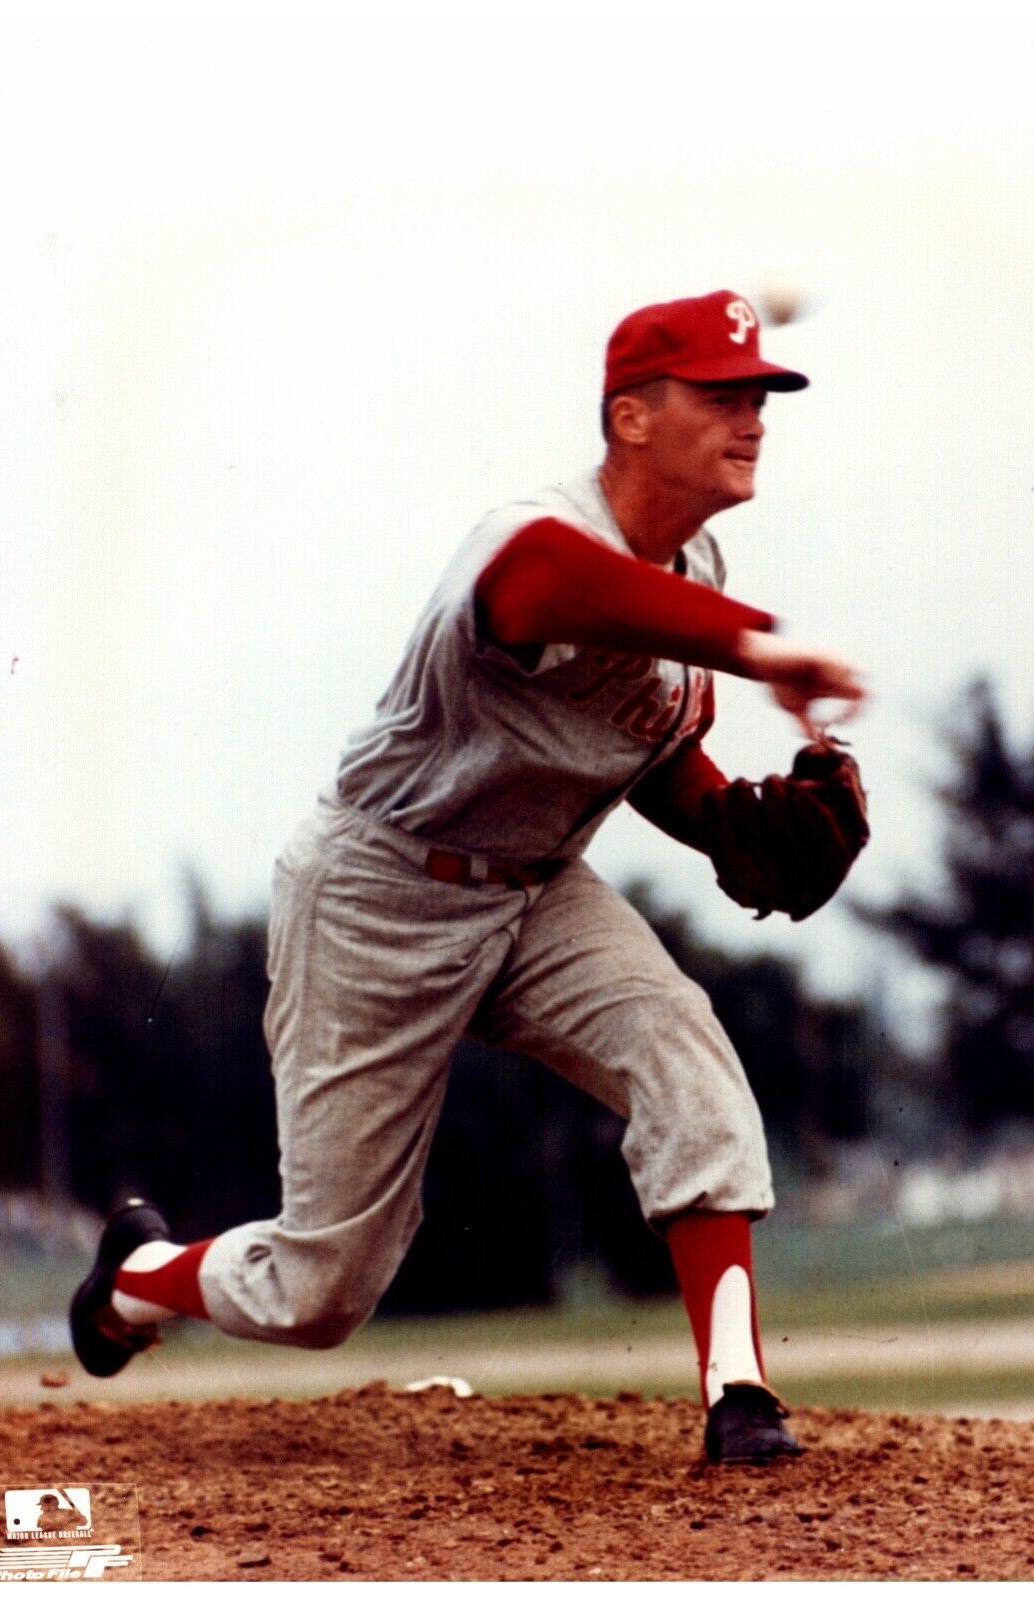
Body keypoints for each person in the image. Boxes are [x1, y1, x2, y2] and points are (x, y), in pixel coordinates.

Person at [70, 289, 865, 1466]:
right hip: (379, 890)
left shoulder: (692, 560)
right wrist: (754, 641)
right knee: (321, 1287)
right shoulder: (535, 538)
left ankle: (736, 1394)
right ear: (630, 418)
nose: (753, 417)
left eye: (759, 395)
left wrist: (725, 823)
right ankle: (136, 1279)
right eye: (721, 394)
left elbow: (631, 733)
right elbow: (555, 590)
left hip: (538, 892)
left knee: (681, 1045)